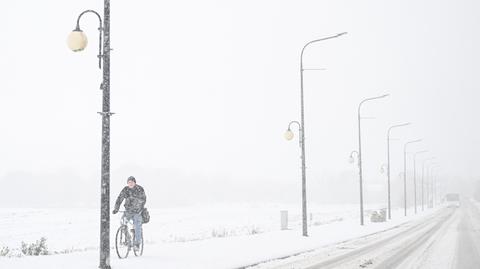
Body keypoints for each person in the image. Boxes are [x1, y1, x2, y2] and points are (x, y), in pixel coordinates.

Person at [112, 176, 147, 250]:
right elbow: (119, 199)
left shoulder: (140, 189)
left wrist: (137, 206)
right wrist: (116, 208)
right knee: (123, 223)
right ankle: (128, 240)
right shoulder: (126, 190)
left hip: (137, 212)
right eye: (129, 182)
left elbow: (143, 200)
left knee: (137, 226)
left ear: (135, 182)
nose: (130, 184)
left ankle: (137, 244)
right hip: (128, 211)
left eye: (131, 182)